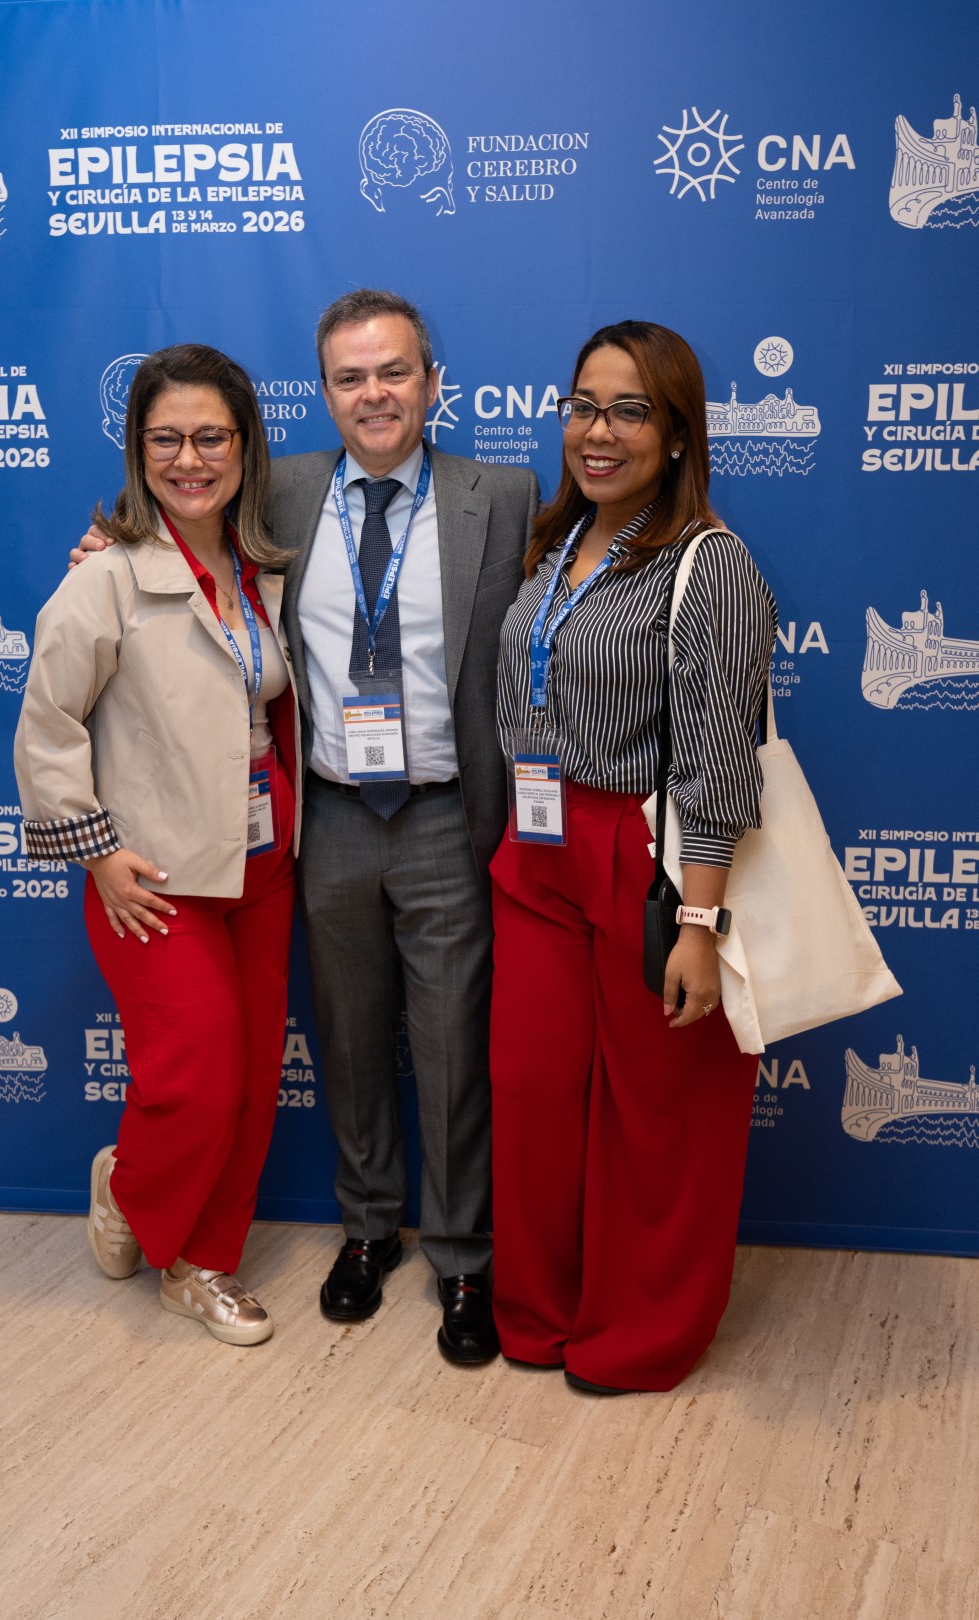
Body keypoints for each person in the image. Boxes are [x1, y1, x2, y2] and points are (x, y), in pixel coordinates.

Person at [75, 291, 539, 1365]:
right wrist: (100, 545)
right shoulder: (276, 488)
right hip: (323, 819)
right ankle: (368, 1230)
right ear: (323, 393)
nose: (373, 395)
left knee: (453, 1049)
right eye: (349, 377)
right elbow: (163, 521)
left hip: (445, 817)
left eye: (393, 372)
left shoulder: (503, 497)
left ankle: (462, 1257)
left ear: (432, 382)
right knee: (348, 1039)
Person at [490, 320, 777, 1394]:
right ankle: (541, 1309)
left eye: (629, 411)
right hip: (535, 850)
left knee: (661, 1110)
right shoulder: (554, 542)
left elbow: (717, 758)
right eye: (583, 406)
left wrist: (699, 925)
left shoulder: (710, 564)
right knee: (531, 1092)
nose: (598, 432)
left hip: (646, 855)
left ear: (678, 432)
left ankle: (644, 1330)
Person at [16, 344, 301, 1346]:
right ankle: (130, 1185)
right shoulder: (105, 577)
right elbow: (48, 724)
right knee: (195, 1077)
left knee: (253, 1079)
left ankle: (199, 1264)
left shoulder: (264, 568)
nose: (189, 459)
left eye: (210, 437)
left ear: (244, 445)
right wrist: (97, 851)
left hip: (264, 863)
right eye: (165, 438)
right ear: (137, 450)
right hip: (153, 872)